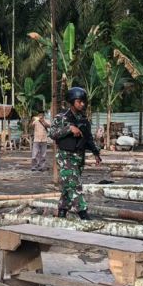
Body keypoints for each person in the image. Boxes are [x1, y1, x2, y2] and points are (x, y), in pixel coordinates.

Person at [48, 87, 101, 220]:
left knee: (68, 186)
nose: (82, 104)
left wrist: (96, 152)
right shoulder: (61, 117)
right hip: (66, 157)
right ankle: (83, 214)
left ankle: (62, 211)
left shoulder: (83, 119)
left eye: (83, 102)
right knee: (75, 185)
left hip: (79, 157)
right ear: (72, 101)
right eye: (79, 101)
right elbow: (52, 134)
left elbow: (88, 138)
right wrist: (69, 128)